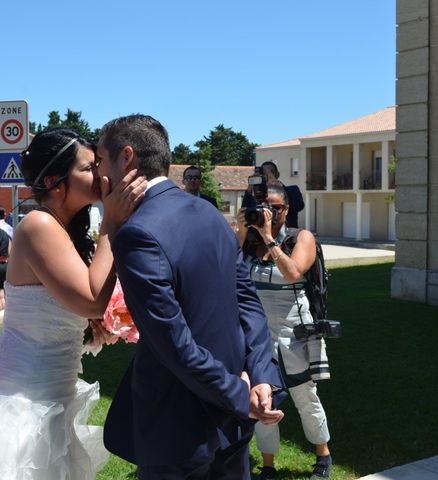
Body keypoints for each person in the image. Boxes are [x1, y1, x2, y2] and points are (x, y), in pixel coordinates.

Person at [0, 128, 146, 479]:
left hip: (53, 394)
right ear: (54, 180)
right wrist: (112, 221)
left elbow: (78, 304)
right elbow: (93, 299)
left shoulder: (63, 228)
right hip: (19, 402)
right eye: (87, 168)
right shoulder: (38, 224)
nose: (99, 174)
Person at [97, 114, 286, 480]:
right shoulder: (211, 215)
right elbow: (249, 306)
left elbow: (174, 343)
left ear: (127, 158)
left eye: (101, 160)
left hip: (177, 429)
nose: (99, 173)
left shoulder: (136, 234)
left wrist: (239, 393)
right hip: (232, 422)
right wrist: (262, 377)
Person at [236, 181, 332, 480]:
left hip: (293, 331)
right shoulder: (250, 241)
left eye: (275, 208)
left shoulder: (299, 237)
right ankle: (267, 464)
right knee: (264, 396)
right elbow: (229, 267)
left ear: (287, 209)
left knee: (305, 396)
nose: (268, 213)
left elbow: (292, 272)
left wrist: (269, 238)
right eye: (263, 208)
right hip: (258, 334)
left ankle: (323, 456)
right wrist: (242, 232)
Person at [243, 161, 304, 228]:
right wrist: (250, 188)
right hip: (260, 235)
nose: (267, 176)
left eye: (271, 172)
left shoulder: (292, 190)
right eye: (264, 173)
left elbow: (298, 206)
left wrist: (277, 184)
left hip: (285, 234)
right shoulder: (258, 196)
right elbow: (244, 211)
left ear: (277, 174)